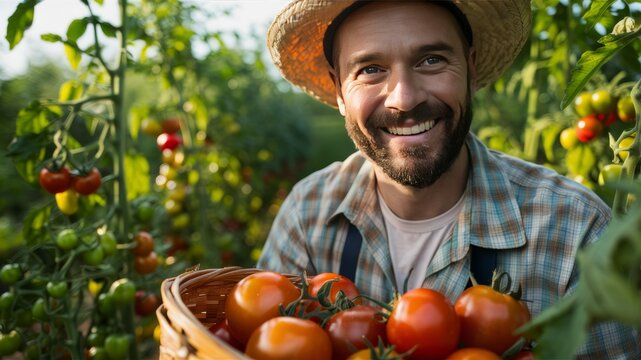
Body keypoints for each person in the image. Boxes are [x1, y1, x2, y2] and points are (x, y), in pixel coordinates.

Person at [257, 0, 639, 357]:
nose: (404, 99)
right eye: (370, 69)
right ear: (339, 89)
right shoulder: (307, 215)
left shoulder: (575, 232)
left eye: (431, 60)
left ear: (470, 70)